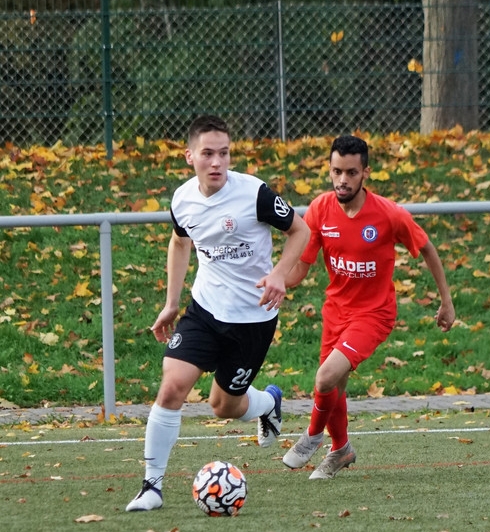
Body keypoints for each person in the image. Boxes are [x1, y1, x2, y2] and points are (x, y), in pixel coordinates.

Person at [126, 114, 310, 511]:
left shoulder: (255, 194)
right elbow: (180, 242)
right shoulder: (182, 199)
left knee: (223, 406)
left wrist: (279, 274)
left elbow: (301, 230)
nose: (217, 162)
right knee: (172, 387)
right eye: (208, 153)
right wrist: (171, 303)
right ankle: (151, 487)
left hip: (253, 320)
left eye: (224, 153)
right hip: (205, 311)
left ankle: (267, 404)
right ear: (189, 156)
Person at [281, 135, 455, 479]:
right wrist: (273, 280)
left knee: (325, 378)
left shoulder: (389, 214)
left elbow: (427, 248)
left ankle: (312, 436)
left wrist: (446, 301)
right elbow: (300, 269)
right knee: (335, 386)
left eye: (351, 172)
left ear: (365, 173)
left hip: (374, 314)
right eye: (336, 171)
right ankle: (341, 450)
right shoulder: (319, 210)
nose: (342, 180)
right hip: (335, 311)